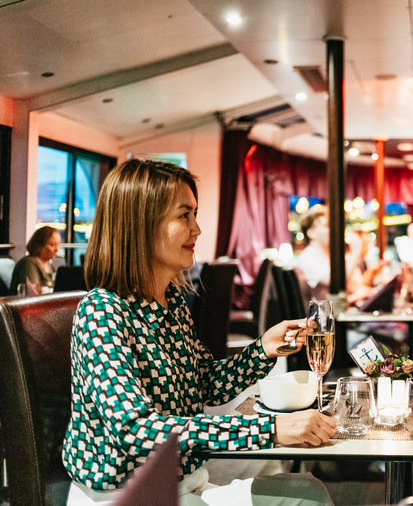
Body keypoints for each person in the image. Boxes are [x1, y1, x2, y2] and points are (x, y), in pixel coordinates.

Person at [63, 159, 336, 506]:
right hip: (128, 493)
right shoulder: (103, 312)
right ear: (141, 225)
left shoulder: (171, 302)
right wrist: (271, 430)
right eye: (183, 215)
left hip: (184, 480)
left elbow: (206, 383)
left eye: (195, 214)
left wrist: (264, 349)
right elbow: (134, 428)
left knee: (308, 492)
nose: (197, 228)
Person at [9, 225, 61, 295]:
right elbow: (33, 292)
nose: (56, 249)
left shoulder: (50, 265)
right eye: (52, 245)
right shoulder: (28, 263)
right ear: (39, 245)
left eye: (58, 245)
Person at [295, 205, 331, 300]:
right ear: (311, 233)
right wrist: (355, 252)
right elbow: (333, 281)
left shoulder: (326, 256)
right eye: (326, 226)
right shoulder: (307, 257)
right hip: (322, 314)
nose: (331, 230)